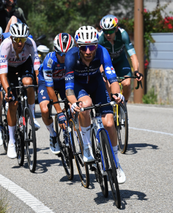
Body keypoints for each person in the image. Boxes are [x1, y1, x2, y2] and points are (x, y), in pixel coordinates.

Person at [64, 26, 126, 184]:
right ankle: (86, 145)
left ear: (96, 45)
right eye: (83, 47)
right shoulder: (70, 57)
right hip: (79, 86)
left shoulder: (102, 52)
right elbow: (69, 90)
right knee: (86, 104)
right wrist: (74, 103)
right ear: (78, 47)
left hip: (97, 84)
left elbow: (112, 79)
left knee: (109, 123)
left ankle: (116, 163)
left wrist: (117, 94)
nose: (87, 51)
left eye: (91, 47)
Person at [0, 22, 41, 158]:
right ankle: (12, 140)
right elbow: (3, 75)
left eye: (22, 39)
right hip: (9, 69)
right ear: (11, 38)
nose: (20, 43)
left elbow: (36, 68)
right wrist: (7, 91)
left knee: (28, 83)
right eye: (17, 39)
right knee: (13, 103)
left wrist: (40, 84)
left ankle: (31, 116)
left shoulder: (30, 43)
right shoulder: (5, 46)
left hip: (24, 65)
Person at [38, 33, 74, 155]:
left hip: (64, 81)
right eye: (61, 54)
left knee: (72, 105)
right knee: (44, 109)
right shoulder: (49, 61)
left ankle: (68, 131)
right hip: (47, 82)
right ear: (55, 50)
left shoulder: (74, 58)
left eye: (67, 54)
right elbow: (50, 87)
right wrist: (59, 112)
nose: (64, 57)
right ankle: (53, 135)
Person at [99, 15, 143, 104]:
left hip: (121, 62)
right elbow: (98, 58)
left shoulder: (123, 35)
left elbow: (133, 55)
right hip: (107, 63)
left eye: (111, 31)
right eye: (105, 31)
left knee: (126, 83)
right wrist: (102, 72)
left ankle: (124, 105)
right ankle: (109, 106)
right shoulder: (99, 37)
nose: (108, 34)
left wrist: (136, 71)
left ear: (116, 29)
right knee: (107, 85)